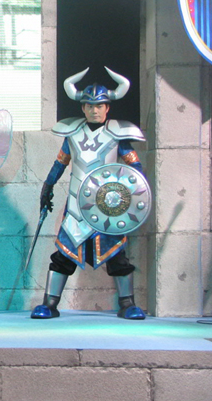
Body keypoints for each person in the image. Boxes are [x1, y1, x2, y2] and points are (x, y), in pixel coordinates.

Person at [31, 67, 147, 320]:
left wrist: (131, 195)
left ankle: (127, 303)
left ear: (107, 108)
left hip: (109, 207)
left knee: (117, 257)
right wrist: (47, 187)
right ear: (83, 108)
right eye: (90, 106)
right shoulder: (72, 133)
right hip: (77, 206)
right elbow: (60, 163)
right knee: (64, 256)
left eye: (100, 106)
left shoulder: (118, 135)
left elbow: (135, 169)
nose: (95, 110)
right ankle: (49, 303)